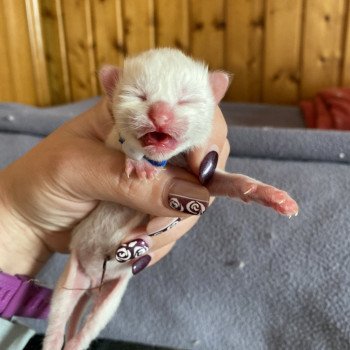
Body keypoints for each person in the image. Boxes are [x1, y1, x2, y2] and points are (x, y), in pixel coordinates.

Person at [0, 97, 229, 349]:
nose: (161, 117)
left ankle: (73, 340)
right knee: (61, 332)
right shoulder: (122, 133)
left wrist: (17, 219)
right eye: (140, 97)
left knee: (79, 330)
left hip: (105, 255)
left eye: (186, 101)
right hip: (97, 248)